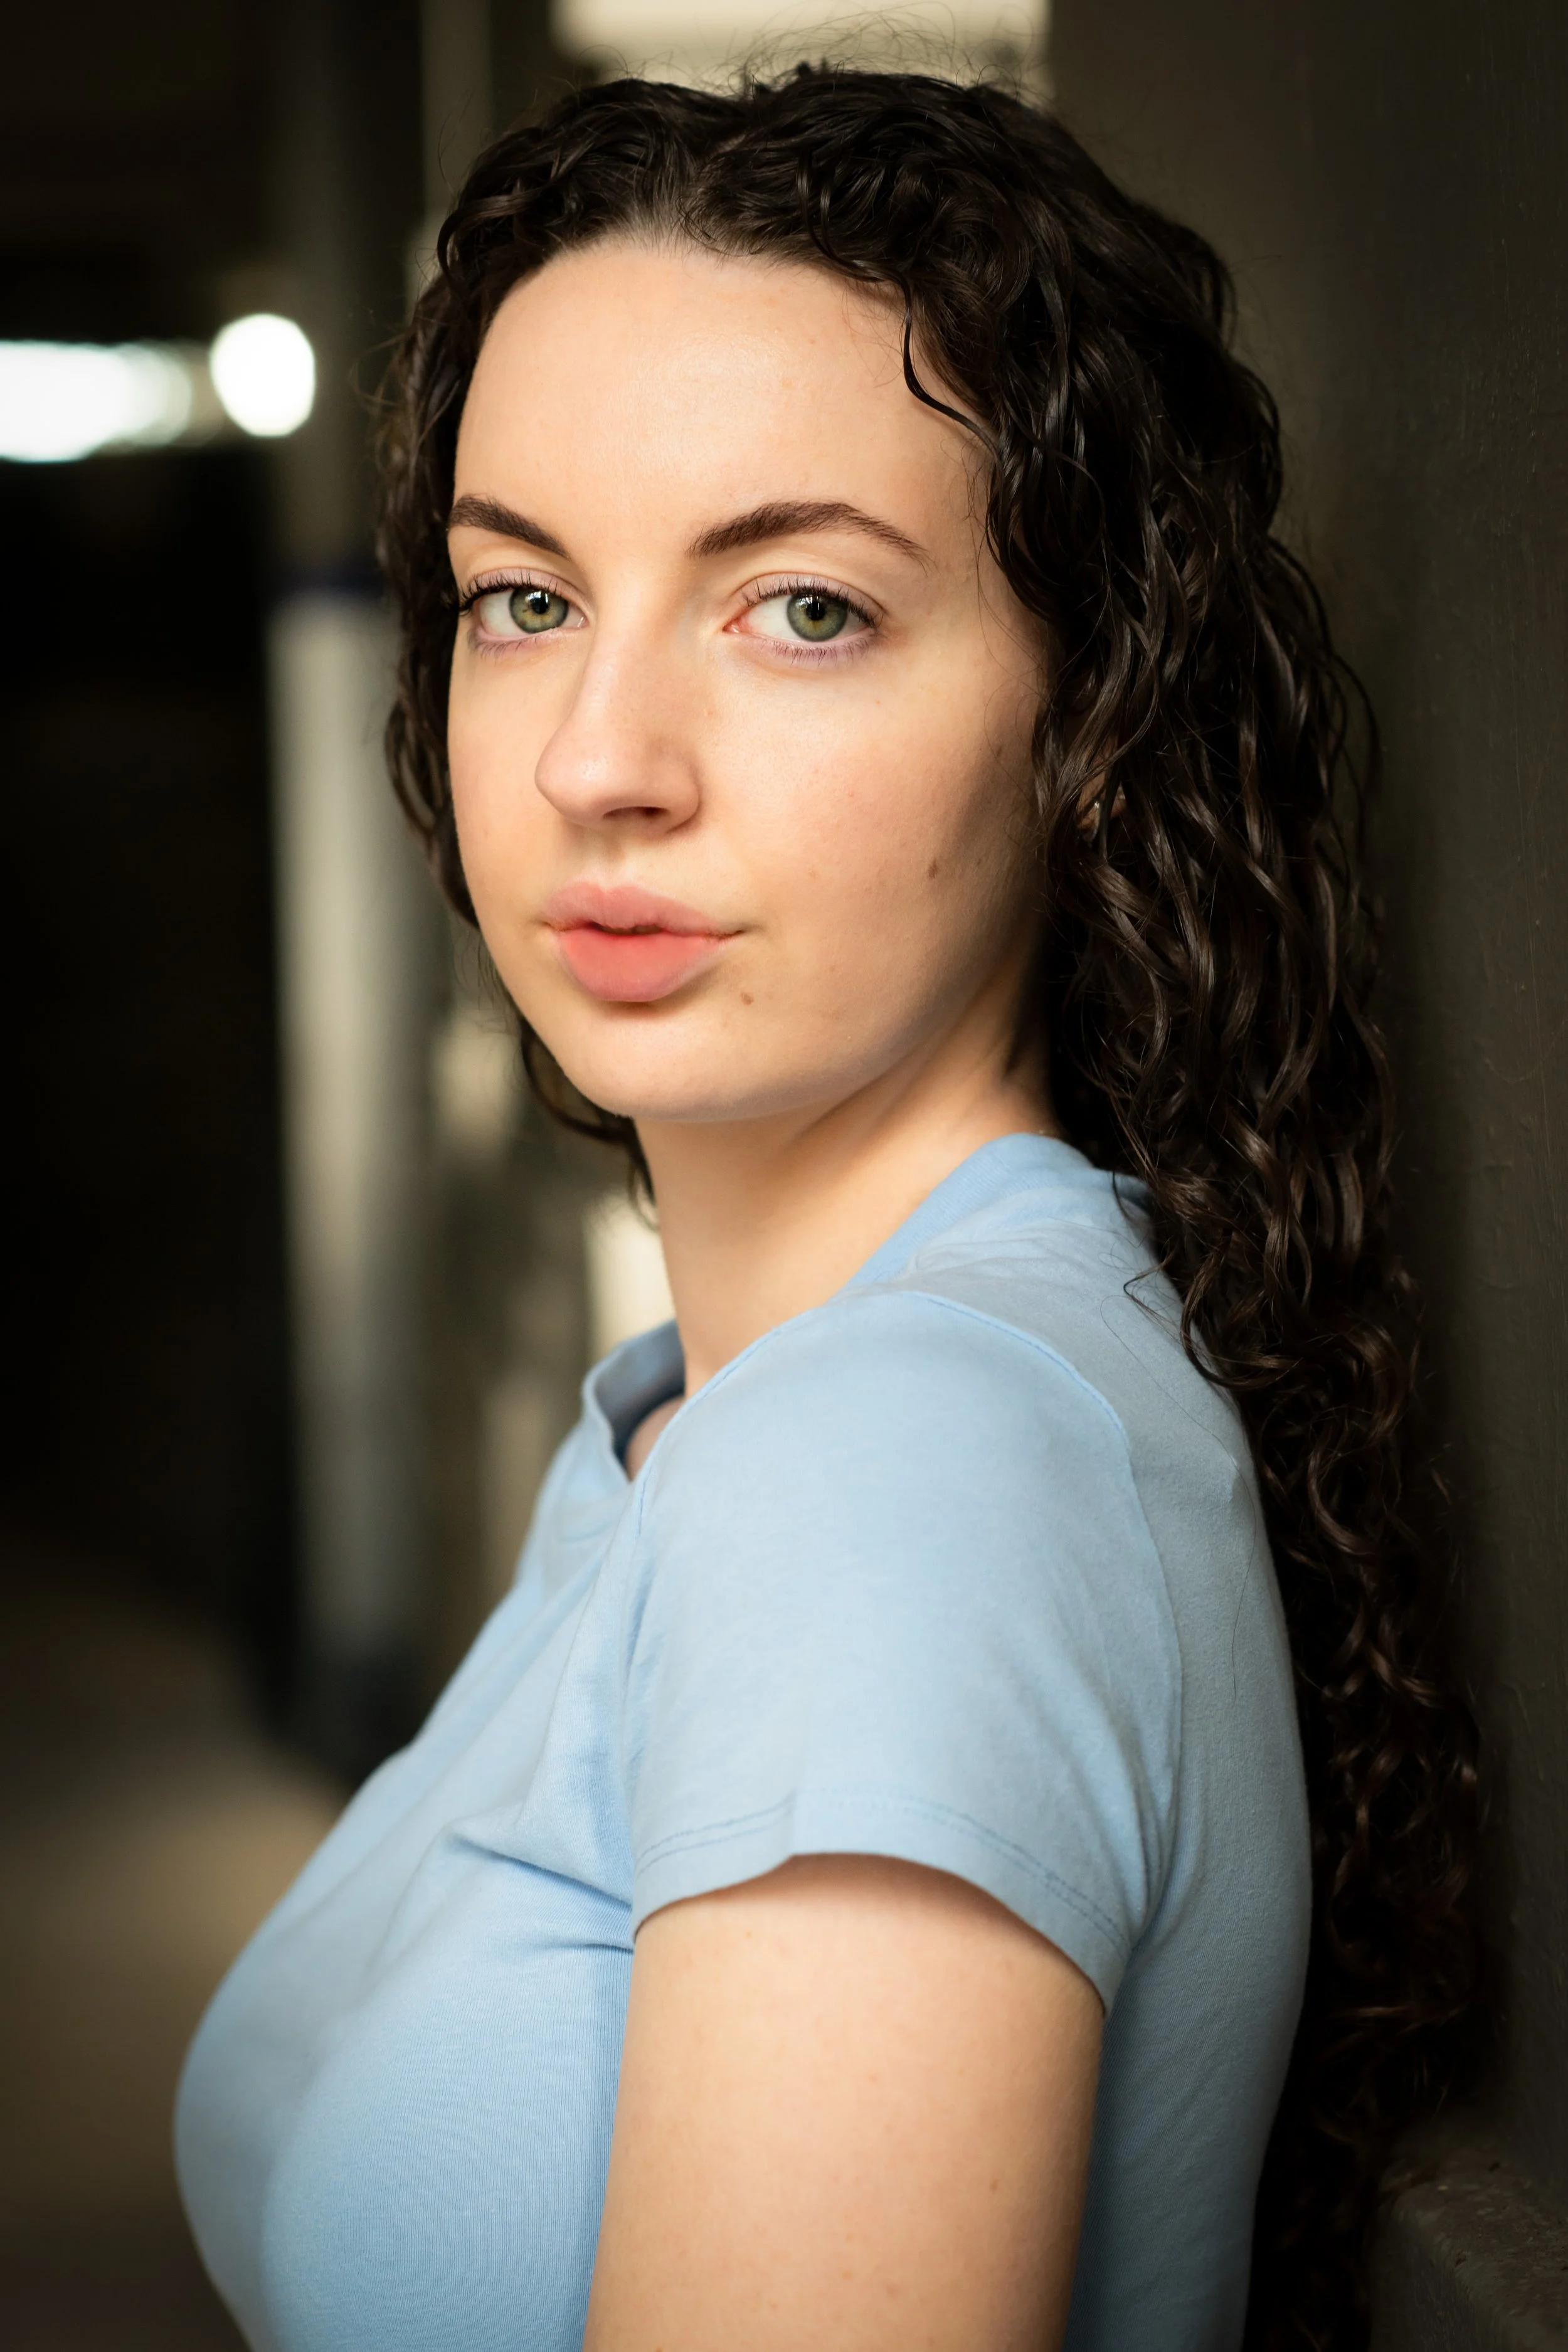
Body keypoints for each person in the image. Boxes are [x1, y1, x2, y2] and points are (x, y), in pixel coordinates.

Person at [176, 66, 1475, 2352]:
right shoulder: (742, 1406)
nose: (601, 758)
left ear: (1090, 716)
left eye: (798, 606)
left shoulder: (903, 1462)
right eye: (522, 596)